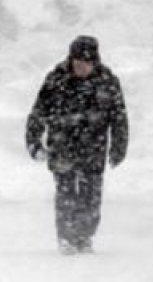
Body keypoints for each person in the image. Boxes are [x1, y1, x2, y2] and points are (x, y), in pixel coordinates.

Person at [26, 36, 128, 255]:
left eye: (86, 62)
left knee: (91, 197)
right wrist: (33, 142)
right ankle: (66, 237)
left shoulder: (107, 82)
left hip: (94, 149)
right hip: (62, 147)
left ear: (95, 61)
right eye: (77, 62)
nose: (81, 67)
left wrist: (119, 147)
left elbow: (119, 118)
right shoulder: (56, 80)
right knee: (66, 195)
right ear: (70, 60)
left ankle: (85, 236)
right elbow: (38, 112)